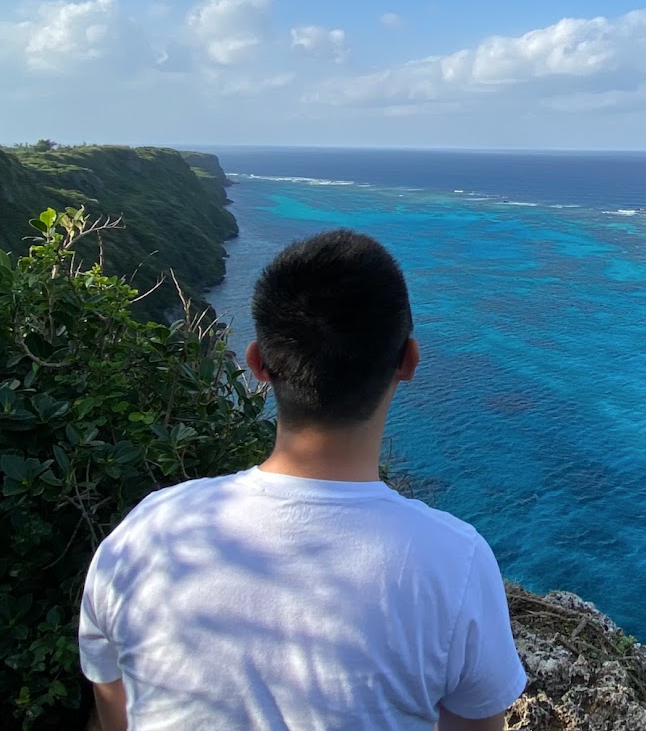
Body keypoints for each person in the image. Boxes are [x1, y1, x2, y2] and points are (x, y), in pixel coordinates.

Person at [79, 229, 526, 730]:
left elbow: (113, 706)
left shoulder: (146, 530)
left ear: (257, 365)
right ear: (409, 361)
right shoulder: (454, 563)